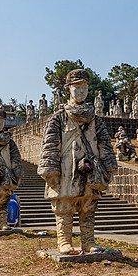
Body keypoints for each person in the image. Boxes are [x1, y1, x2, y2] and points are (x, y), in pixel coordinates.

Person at [37, 69, 117, 254]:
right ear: (69, 89)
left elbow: (105, 144)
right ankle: (64, 242)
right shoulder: (58, 118)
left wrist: (109, 167)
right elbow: (49, 146)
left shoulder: (95, 120)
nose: (81, 92)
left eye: (85, 88)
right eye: (77, 87)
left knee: (88, 208)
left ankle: (88, 242)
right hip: (66, 171)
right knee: (64, 208)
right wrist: (50, 172)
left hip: (90, 170)